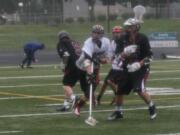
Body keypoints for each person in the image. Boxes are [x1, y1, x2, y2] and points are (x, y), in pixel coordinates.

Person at [107, 18, 157, 121]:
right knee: (119, 91)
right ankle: (118, 112)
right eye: (127, 26)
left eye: (130, 26)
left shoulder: (142, 38)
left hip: (141, 68)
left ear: (136, 27)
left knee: (139, 90)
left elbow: (150, 56)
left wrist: (139, 64)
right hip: (127, 67)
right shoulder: (122, 38)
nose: (127, 28)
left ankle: (151, 106)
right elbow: (117, 55)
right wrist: (124, 53)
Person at [73, 24, 111, 116]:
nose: (95, 34)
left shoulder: (106, 42)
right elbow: (87, 61)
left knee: (92, 87)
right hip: (82, 67)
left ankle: (78, 106)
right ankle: (83, 101)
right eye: (94, 32)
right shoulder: (88, 42)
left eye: (98, 33)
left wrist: (102, 60)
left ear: (102, 34)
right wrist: (90, 74)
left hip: (95, 65)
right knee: (86, 87)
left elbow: (107, 58)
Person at [56, 31, 87, 112]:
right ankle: (65, 105)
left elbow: (66, 55)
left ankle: (74, 98)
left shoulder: (61, 42)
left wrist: (63, 66)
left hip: (72, 65)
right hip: (82, 65)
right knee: (68, 85)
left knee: (65, 84)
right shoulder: (74, 42)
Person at [97, 26, 124, 105]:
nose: (116, 34)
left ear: (121, 33)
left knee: (109, 81)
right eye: (115, 33)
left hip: (122, 68)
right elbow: (110, 56)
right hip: (115, 67)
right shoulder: (112, 43)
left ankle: (117, 96)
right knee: (105, 82)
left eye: (118, 33)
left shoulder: (124, 42)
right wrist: (103, 60)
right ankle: (99, 98)